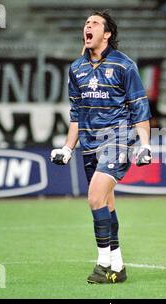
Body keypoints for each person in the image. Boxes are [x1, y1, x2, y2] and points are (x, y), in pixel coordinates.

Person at [50, 10, 152, 284]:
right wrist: (67, 148)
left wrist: (144, 145)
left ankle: (102, 264)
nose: (88, 26)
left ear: (107, 34)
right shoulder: (76, 69)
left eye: (94, 23)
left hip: (118, 139)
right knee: (106, 203)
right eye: (86, 23)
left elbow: (140, 108)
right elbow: (76, 114)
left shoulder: (124, 65)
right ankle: (118, 267)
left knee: (95, 197)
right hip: (89, 143)